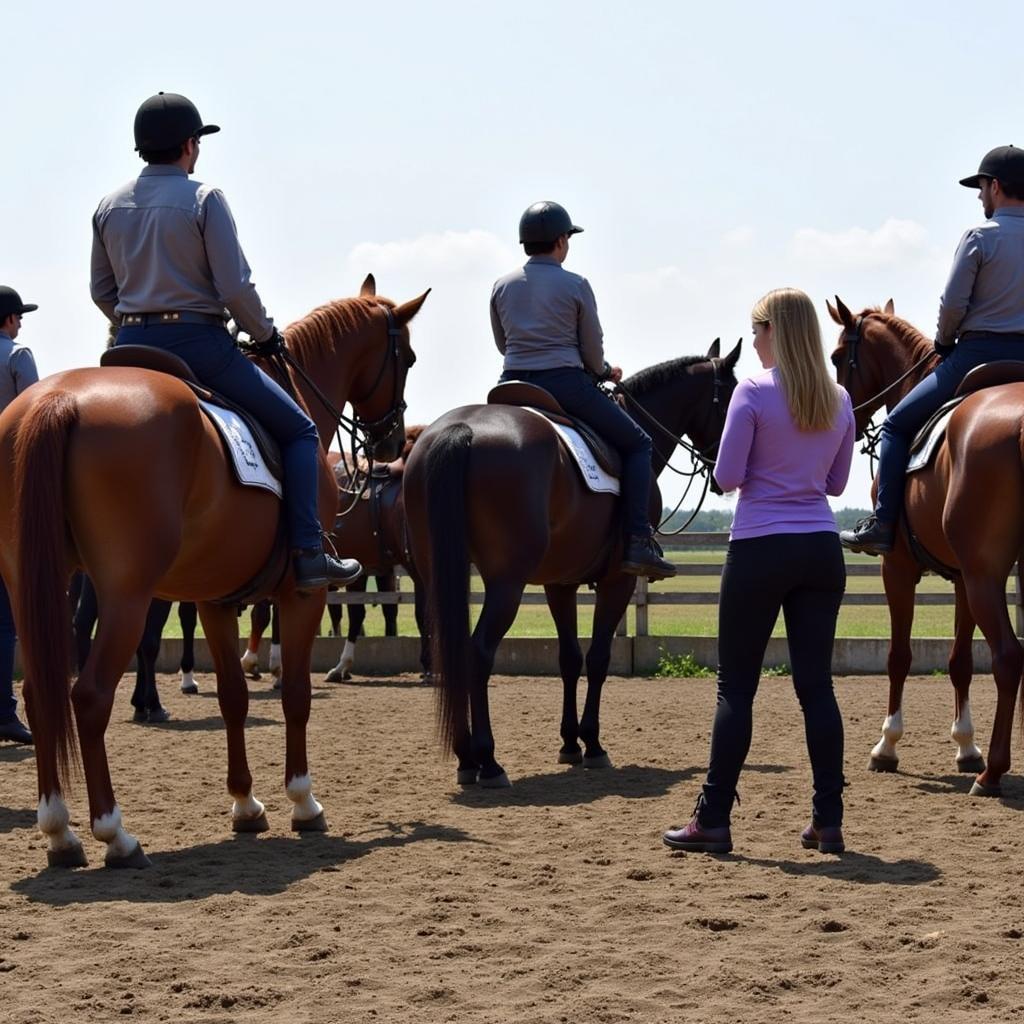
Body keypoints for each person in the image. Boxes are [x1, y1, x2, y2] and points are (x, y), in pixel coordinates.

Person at [90, 92, 362, 591]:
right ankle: (308, 552)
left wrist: (135, 321)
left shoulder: (109, 205)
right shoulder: (204, 199)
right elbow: (235, 287)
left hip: (129, 345)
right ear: (190, 145)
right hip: (198, 344)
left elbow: (101, 291)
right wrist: (264, 333)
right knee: (302, 432)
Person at [663, 287, 855, 855]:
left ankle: (714, 819)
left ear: (775, 331)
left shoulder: (752, 391)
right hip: (820, 548)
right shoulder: (839, 398)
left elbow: (726, 476)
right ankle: (829, 819)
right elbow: (837, 484)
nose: (752, 340)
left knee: (736, 688)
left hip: (759, 546)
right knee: (816, 688)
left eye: (757, 330)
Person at [842, 145, 1024, 555]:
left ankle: (883, 524)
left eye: (981, 188)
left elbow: (953, 304)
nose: (979, 197)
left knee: (895, 426)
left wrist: (943, 341)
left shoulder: (980, 237)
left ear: (995, 187)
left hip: (977, 356)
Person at [490, 201, 675, 579]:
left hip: (510, 386)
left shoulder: (501, 286)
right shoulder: (575, 284)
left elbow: (502, 344)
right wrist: (606, 370)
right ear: (561, 241)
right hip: (564, 385)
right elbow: (592, 354)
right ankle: (638, 540)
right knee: (639, 443)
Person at [0, 286, 39, 744]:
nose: (21, 323)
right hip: (8, 491)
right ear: (9, 319)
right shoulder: (18, 356)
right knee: (4, 617)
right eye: (19, 316)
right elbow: (33, 426)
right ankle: (3, 711)